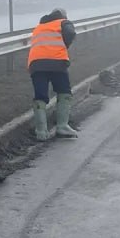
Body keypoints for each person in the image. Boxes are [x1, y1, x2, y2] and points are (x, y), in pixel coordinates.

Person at [28, 8, 78, 141]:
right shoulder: (63, 22)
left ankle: (41, 131)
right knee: (64, 91)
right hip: (57, 61)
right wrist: (65, 45)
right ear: (62, 15)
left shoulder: (40, 26)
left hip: (36, 64)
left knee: (40, 96)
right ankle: (62, 126)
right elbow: (70, 33)